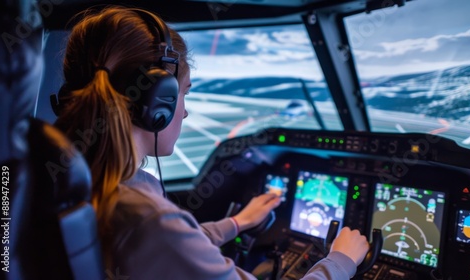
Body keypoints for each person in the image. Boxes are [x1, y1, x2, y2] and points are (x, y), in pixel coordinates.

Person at [53, 6, 369, 279]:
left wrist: (236, 222)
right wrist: (341, 260)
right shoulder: (146, 216)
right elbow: (163, 238)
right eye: (183, 93)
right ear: (156, 102)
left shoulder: (80, 179)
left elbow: (170, 249)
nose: (185, 110)